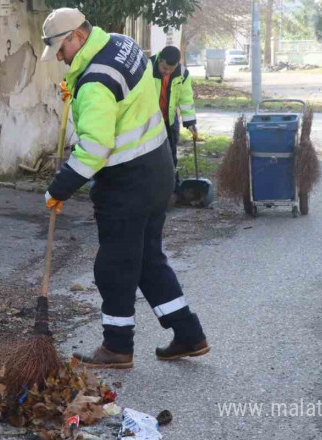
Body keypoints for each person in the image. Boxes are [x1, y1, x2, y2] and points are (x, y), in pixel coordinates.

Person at [40, 8, 209, 368]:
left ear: (78, 37)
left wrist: (59, 188)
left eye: (60, 48)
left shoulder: (94, 84)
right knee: (148, 259)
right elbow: (127, 101)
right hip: (159, 168)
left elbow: (95, 150)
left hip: (126, 183)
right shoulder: (123, 44)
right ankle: (188, 334)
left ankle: (117, 348)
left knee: (114, 266)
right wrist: (79, 85)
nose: (58, 56)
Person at [151, 45, 197, 197]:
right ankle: (149, 188)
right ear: (160, 59)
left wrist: (190, 123)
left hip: (169, 121)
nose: (167, 72)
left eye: (171, 69)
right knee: (149, 156)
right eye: (164, 68)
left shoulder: (183, 74)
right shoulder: (146, 67)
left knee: (171, 155)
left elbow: (186, 99)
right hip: (147, 122)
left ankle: (171, 188)